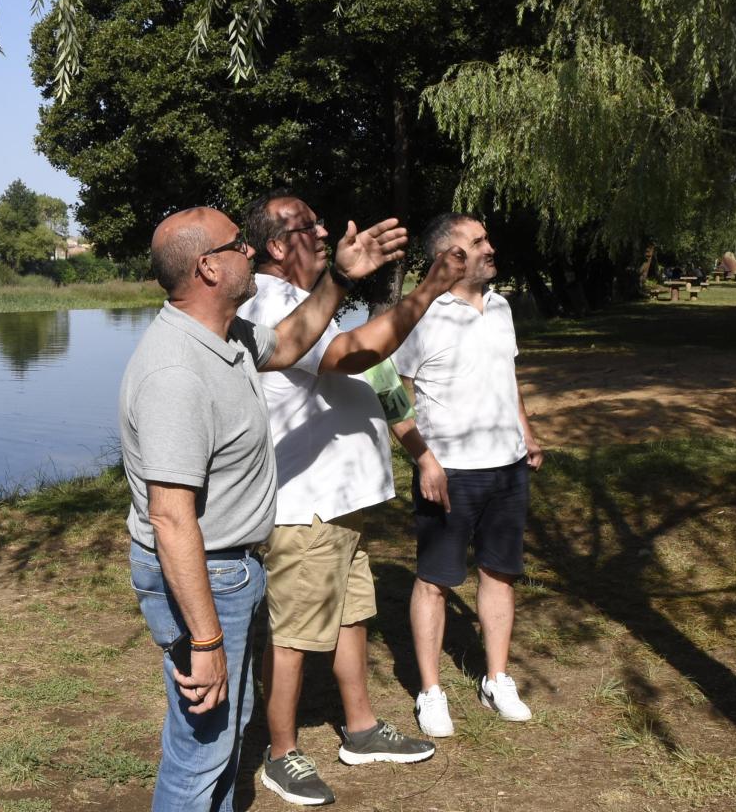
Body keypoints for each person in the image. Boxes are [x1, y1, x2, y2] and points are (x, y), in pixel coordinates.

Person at [121, 205, 407, 812]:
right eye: (236, 245)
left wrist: (342, 279)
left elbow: (297, 338)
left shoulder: (228, 338)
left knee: (226, 733)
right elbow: (170, 519)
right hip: (205, 573)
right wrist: (204, 640)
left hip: (231, 567)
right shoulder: (177, 370)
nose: (249, 251)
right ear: (207, 268)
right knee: (201, 748)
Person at [237, 193, 466, 805]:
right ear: (278, 247)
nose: (323, 229)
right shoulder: (271, 303)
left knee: (349, 616)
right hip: (303, 507)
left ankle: (360, 728)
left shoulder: (310, 301)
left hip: (338, 504)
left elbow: (375, 372)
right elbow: (354, 356)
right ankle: (280, 754)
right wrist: (429, 290)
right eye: (306, 225)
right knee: (293, 635)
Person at [392, 214, 545, 729]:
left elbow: (508, 376)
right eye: (476, 242)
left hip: (506, 467)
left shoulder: (501, 306)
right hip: (449, 472)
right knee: (435, 580)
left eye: (485, 239)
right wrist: (424, 458)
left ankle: (496, 679)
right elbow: (392, 394)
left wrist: (525, 431)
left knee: (500, 572)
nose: (489, 247)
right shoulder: (421, 316)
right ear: (448, 258)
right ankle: (430, 691)